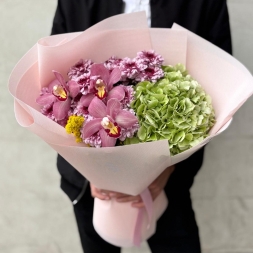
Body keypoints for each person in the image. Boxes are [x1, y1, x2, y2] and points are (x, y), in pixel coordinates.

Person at [51, 1, 232, 252]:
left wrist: (165, 171)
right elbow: (55, 78)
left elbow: (220, 85)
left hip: (168, 179)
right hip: (92, 185)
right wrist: (93, 171)